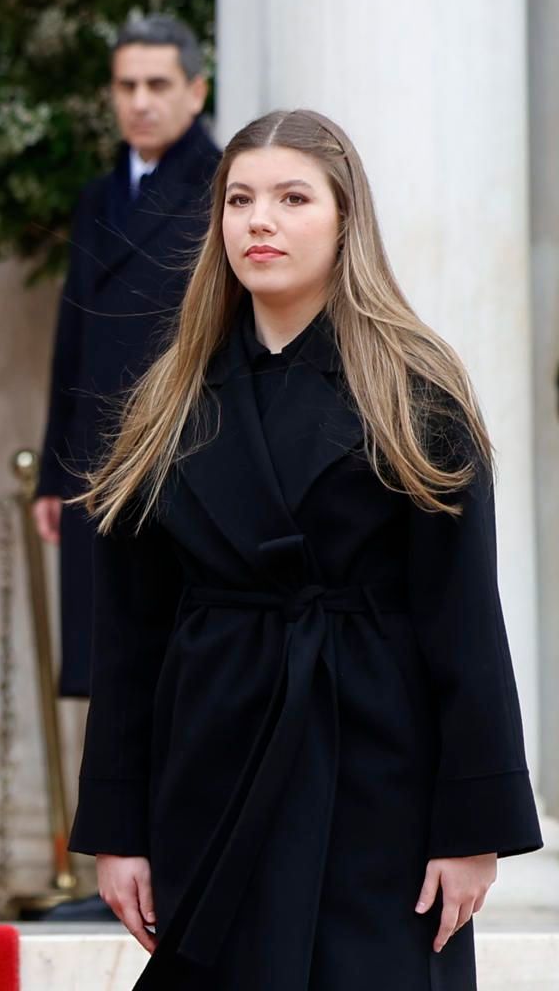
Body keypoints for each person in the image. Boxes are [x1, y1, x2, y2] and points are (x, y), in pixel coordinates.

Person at [69, 109, 543, 990]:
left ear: (343, 219)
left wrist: (472, 829)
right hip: (211, 755)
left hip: (376, 767)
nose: (260, 221)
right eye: (240, 199)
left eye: (292, 197)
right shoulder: (168, 400)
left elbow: (465, 621)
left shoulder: (414, 390)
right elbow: (129, 639)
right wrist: (118, 830)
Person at [33, 15, 220, 697]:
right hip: (95, 457)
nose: (139, 101)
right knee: (108, 668)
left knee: (177, 666)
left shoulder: (222, 186)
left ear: (196, 92)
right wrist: (53, 473)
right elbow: (72, 343)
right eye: (126, 85)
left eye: (157, 84)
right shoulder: (98, 195)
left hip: (181, 448)